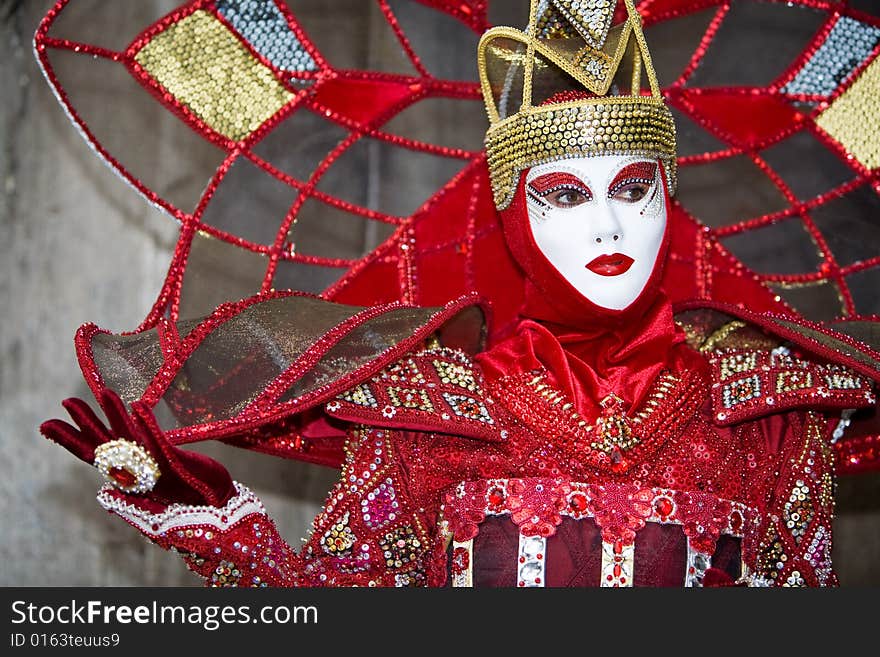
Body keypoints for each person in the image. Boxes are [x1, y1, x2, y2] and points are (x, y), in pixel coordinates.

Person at [40, 0, 880, 587]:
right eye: (564, 195)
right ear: (513, 217)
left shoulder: (766, 417)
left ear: (671, 197)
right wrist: (212, 523)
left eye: (633, 189)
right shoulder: (429, 412)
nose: (609, 228)